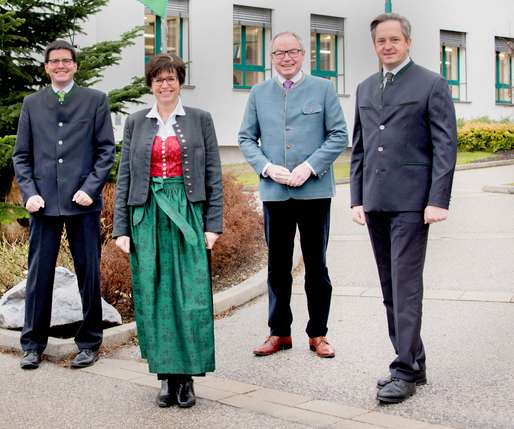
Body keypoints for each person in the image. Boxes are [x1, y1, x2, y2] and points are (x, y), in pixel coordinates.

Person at [350, 13, 457, 404]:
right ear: (375, 45)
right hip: (376, 201)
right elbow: (360, 147)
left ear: (408, 42)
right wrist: (357, 197)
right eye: (381, 41)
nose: (388, 46)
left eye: (395, 39)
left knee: (406, 286)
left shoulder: (431, 83)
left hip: (413, 203)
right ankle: (415, 359)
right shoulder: (364, 88)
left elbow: (446, 146)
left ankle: (405, 371)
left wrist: (437, 199)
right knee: (389, 288)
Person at [112, 53, 223, 408]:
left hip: (188, 214)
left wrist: (213, 224)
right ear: (151, 84)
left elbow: (213, 174)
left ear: (180, 82)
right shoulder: (135, 123)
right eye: (158, 79)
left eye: (171, 78)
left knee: (190, 296)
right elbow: (125, 176)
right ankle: (164, 376)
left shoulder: (200, 120)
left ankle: (187, 377)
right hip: (147, 216)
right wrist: (121, 227)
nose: (165, 84)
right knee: (155, 296)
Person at [238, 32, 348, 359]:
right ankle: (279, 332)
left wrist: (312, 167)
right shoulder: (258, 93)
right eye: (279, 53)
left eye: (292, 52)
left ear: (303, 55)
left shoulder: (323, 88)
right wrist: (267, 167)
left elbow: (339, 134)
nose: (286, 58)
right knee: (277, 267)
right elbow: (245, 138)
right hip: (276, 193)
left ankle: (318, 333)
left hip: (314, 192)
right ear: (271, 57)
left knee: (317, 266)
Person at [12, 40, 115, 370]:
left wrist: (90, 187)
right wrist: (28, 193)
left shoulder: (95, 100)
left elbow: (105, 151)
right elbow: (22, 155)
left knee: (88, 272)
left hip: (82, 202)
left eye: (65, 61)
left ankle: (89, 342)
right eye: (53, 61)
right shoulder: (32, 103)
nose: (60, 66)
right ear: (46, 67)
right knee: (39, 274)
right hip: (42, 204)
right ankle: (32, 344)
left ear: (75, 66)